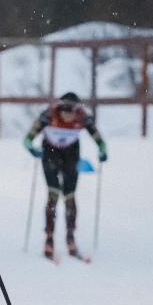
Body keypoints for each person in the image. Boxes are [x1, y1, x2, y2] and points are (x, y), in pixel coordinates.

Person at [23, 92, 108, 260]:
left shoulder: (83, 117)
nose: (69, 115)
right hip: (50, 153)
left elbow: (99, 139)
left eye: (72, 111)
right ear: (59, 109)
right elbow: (28, 138)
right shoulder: (48, 115)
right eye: (65, 111)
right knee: (53, 193)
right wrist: (32, 148)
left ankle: (70, 236)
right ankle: (49, 237)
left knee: (69, 194)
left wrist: (102, 150)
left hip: (71, 153)